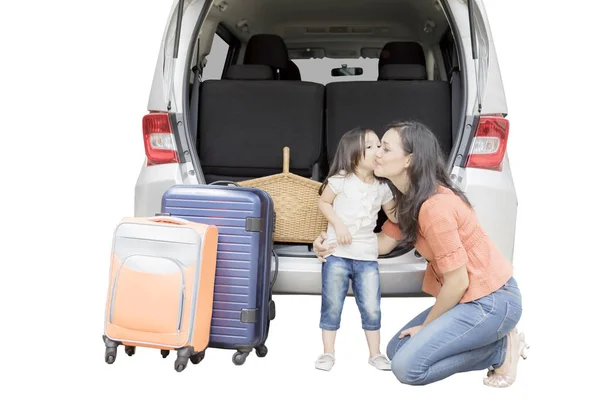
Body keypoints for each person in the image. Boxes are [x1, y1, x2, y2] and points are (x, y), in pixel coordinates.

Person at [312, 121, 528, 387]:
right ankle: (489, 341)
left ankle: (501, 350)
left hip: (491, 301)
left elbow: (457, 281)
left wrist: (427, 328)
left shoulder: (435, 208)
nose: (377, 152)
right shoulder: (409, 201)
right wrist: (328, 241)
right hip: (468, 298)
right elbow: (378, 245)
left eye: (386, 148)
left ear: (408, 161)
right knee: (396, 350)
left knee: (408, 368)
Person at [314, 127, 398, 372]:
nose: (378, 151)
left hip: (366, 256)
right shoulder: (341, 180)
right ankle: (328, 353)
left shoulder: (382, 187)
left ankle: (375, 354)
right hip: (336, 254)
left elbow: (394, 215)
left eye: (378, 146)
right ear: (353, 155)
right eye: (370, 146)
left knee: (372, 306)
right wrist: (338, 225)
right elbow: (324, 202)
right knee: (332, 305)